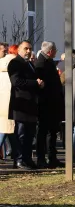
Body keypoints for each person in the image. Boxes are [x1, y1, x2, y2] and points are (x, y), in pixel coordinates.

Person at [8, 40, 43, 170]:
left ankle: (27, 159)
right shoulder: (15, 63)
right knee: (21, 135)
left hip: (31, 105)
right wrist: (35, 83)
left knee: (29, 135)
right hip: (21, 104)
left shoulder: (30, 64)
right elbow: (16, 81)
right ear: (19, 50)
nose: (28, 51)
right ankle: (19, 160)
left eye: (30, 49)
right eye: (25, 49)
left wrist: (39, 84)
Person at [35, 41, 65, 168]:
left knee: (52, 132)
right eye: (55, 50)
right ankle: (42, 158)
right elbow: (43, 85)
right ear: (50, 51)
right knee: (43, 132)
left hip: (52, 103)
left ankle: (52, 157)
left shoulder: (48, 62)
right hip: (46, 104)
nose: (56, 52)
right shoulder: (41, 63)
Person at [0, 45, 19, 167]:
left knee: (4, 131)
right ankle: (17, 159)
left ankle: (16, 158)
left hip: (2, 103)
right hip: (13, 103)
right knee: (11, 133)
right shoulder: (17, 65)